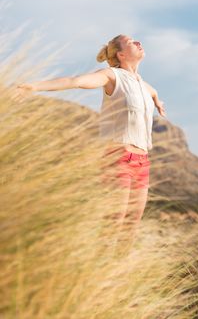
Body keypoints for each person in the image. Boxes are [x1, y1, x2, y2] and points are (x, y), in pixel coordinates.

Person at [10, 34, 166, 251]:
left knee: (130, 227)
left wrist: (158, 102)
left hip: (142, 163)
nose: (138, 42)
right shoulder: (111, 76)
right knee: (113, 224)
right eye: (131, 42)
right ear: (121, 54)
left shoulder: (144, 85)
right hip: (119, 159)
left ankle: (118, 277)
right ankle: (99, 270)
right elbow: (75, 82)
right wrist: (33, 87)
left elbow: (154, 92)